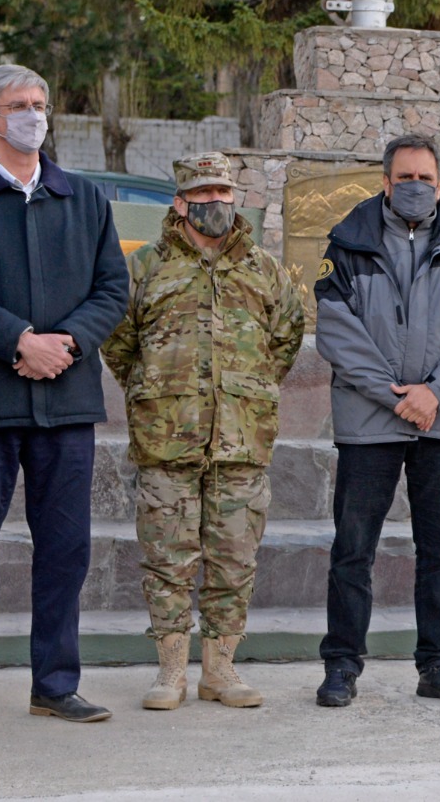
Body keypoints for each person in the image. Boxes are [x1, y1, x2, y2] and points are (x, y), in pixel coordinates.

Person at [0, 64, 131, 730]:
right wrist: (19, 341)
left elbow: (112, 290)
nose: (33, 115)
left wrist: (65, 342)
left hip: (65, 404)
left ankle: (56, 683)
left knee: (66, 549)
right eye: (18, 105)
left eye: (40, 103)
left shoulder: (85, 198)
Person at [102, 152, 304, 710]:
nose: (214, 203)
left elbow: (285, 339)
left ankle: (221, 671)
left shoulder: (263, 268)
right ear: (179, 201)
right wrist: (158, 390)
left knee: (235, 558)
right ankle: (170, 673)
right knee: (167, 558)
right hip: (166, 440)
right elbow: (119, 342)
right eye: (202, 193)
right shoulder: (145, 268)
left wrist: (245, 391)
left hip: (242, 439)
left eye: (222, 193)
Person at [312, 133, 440, 708]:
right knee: (353, 549)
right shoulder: (348, 244)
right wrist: (399, 396)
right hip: (370, 422)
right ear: (385, 182)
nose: (415, 186)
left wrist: (434, 392)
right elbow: (336, 331)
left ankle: (439, 665)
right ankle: (342, 665)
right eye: (405, 177)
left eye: (425, 177)